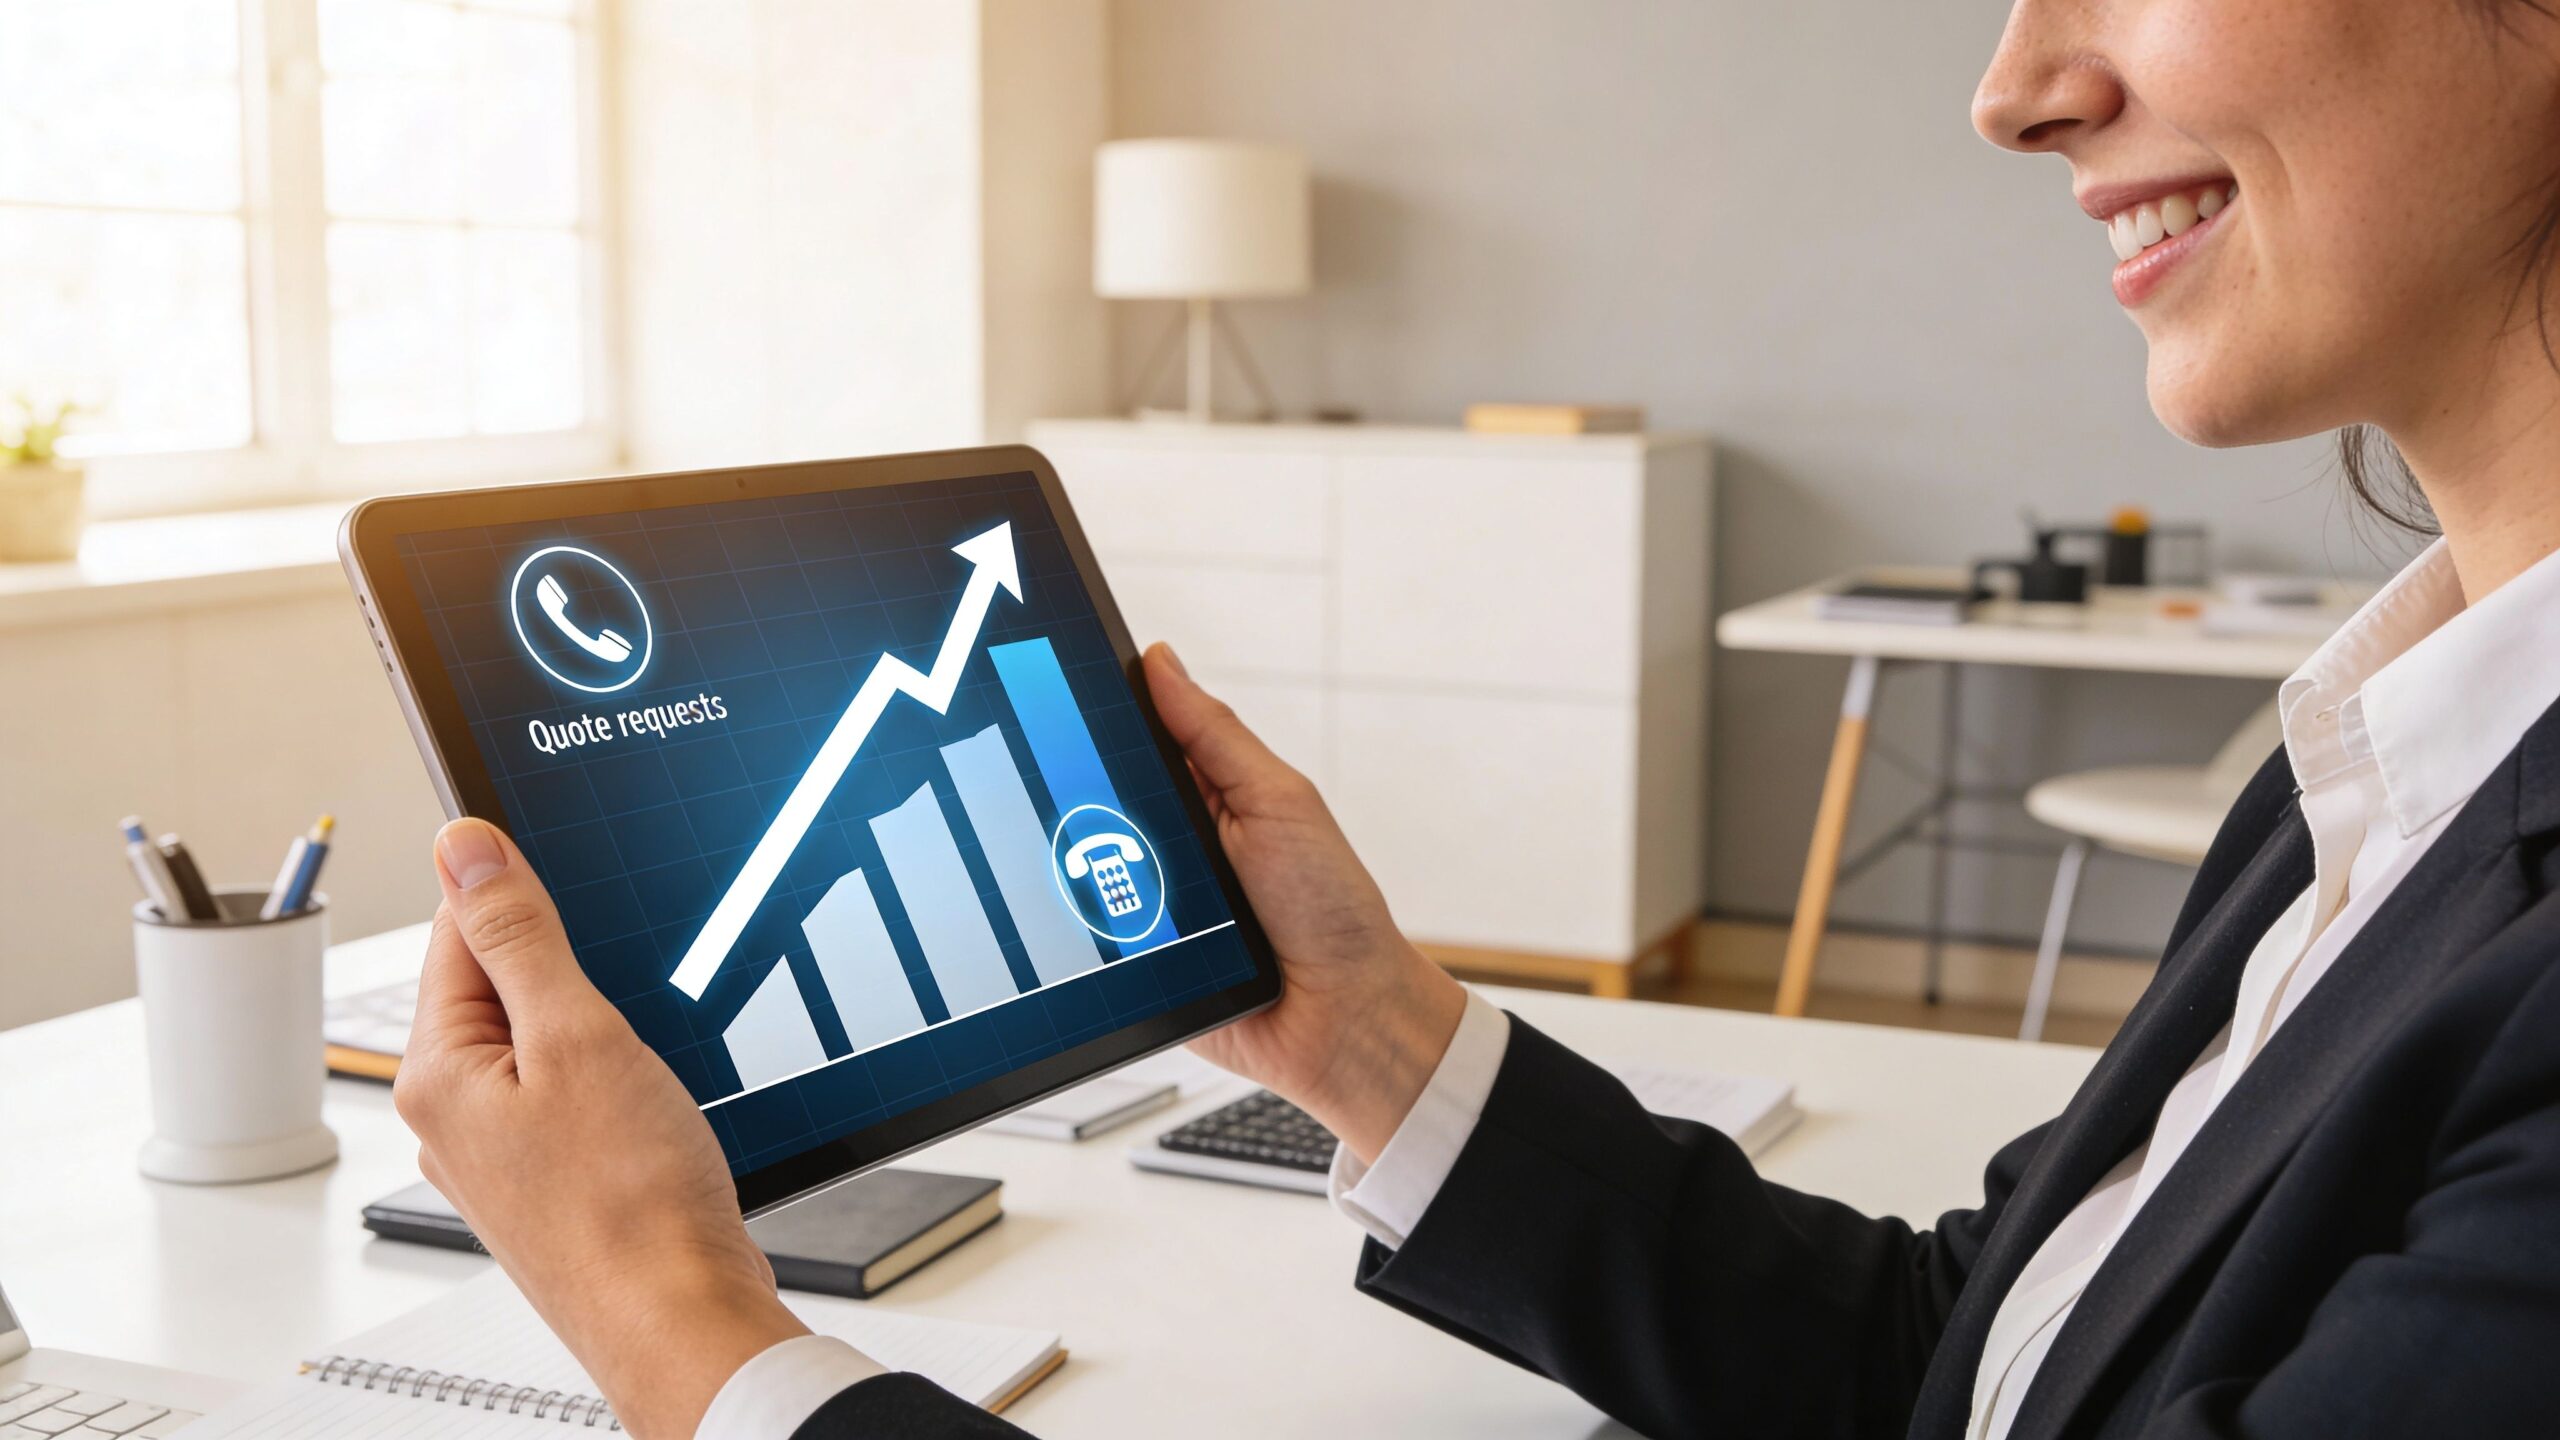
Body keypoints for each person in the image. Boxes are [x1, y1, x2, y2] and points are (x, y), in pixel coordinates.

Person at [394, 0, 2560, 1434]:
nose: (2011, 85)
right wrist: (1362, 1035)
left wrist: (688, 1333)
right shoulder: (2396, 755)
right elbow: (1967, 1364)